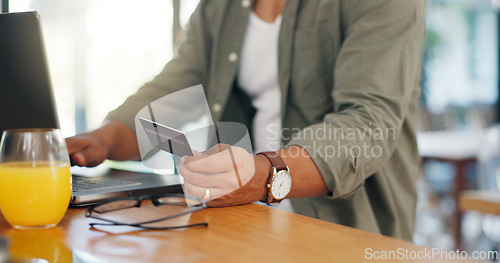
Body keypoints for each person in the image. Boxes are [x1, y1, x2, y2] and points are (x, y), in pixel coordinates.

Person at [66, 0, 425, 241]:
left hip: (346, 229)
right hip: (247, 223)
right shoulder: (219, 6)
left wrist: (263, 175)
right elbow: (176, 86)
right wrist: (106, 139)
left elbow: (368, 122)